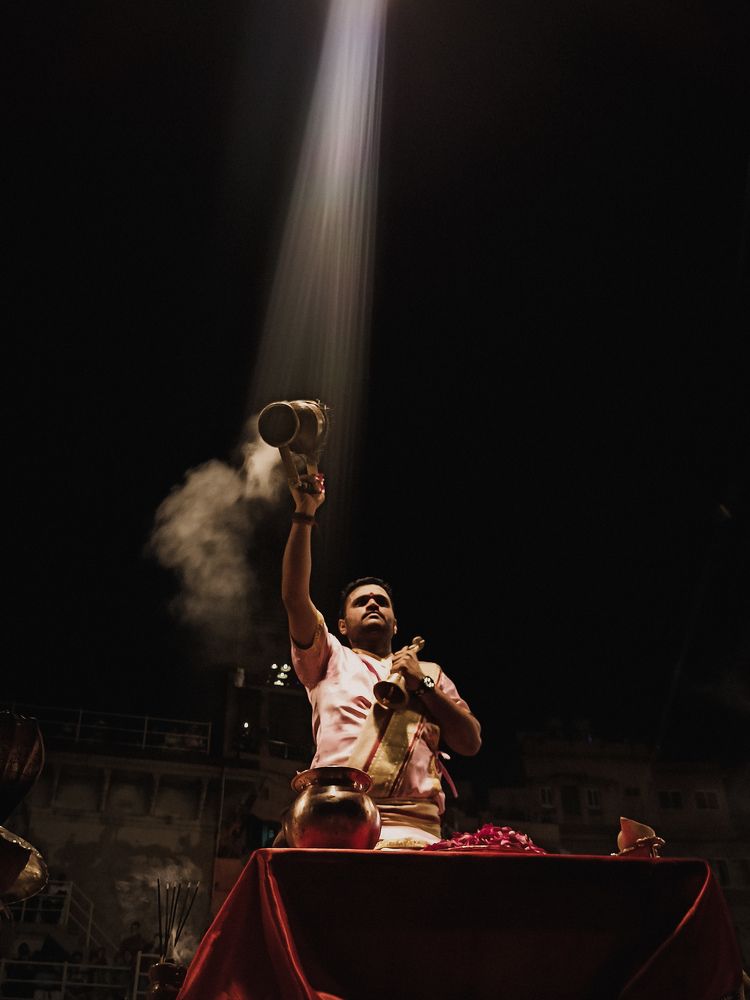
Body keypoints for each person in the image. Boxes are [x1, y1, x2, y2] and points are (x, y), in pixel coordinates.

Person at [280, 472, 481, 848]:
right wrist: (305, 515)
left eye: (382, 601)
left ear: (395, 622)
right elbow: (294, 596)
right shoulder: (329, 656)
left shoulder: (430, 674)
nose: (373, 603)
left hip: (416, 831)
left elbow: (470, 742)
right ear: (341, 624)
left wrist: (422, 685)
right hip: (336, 823)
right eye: (361, 601)